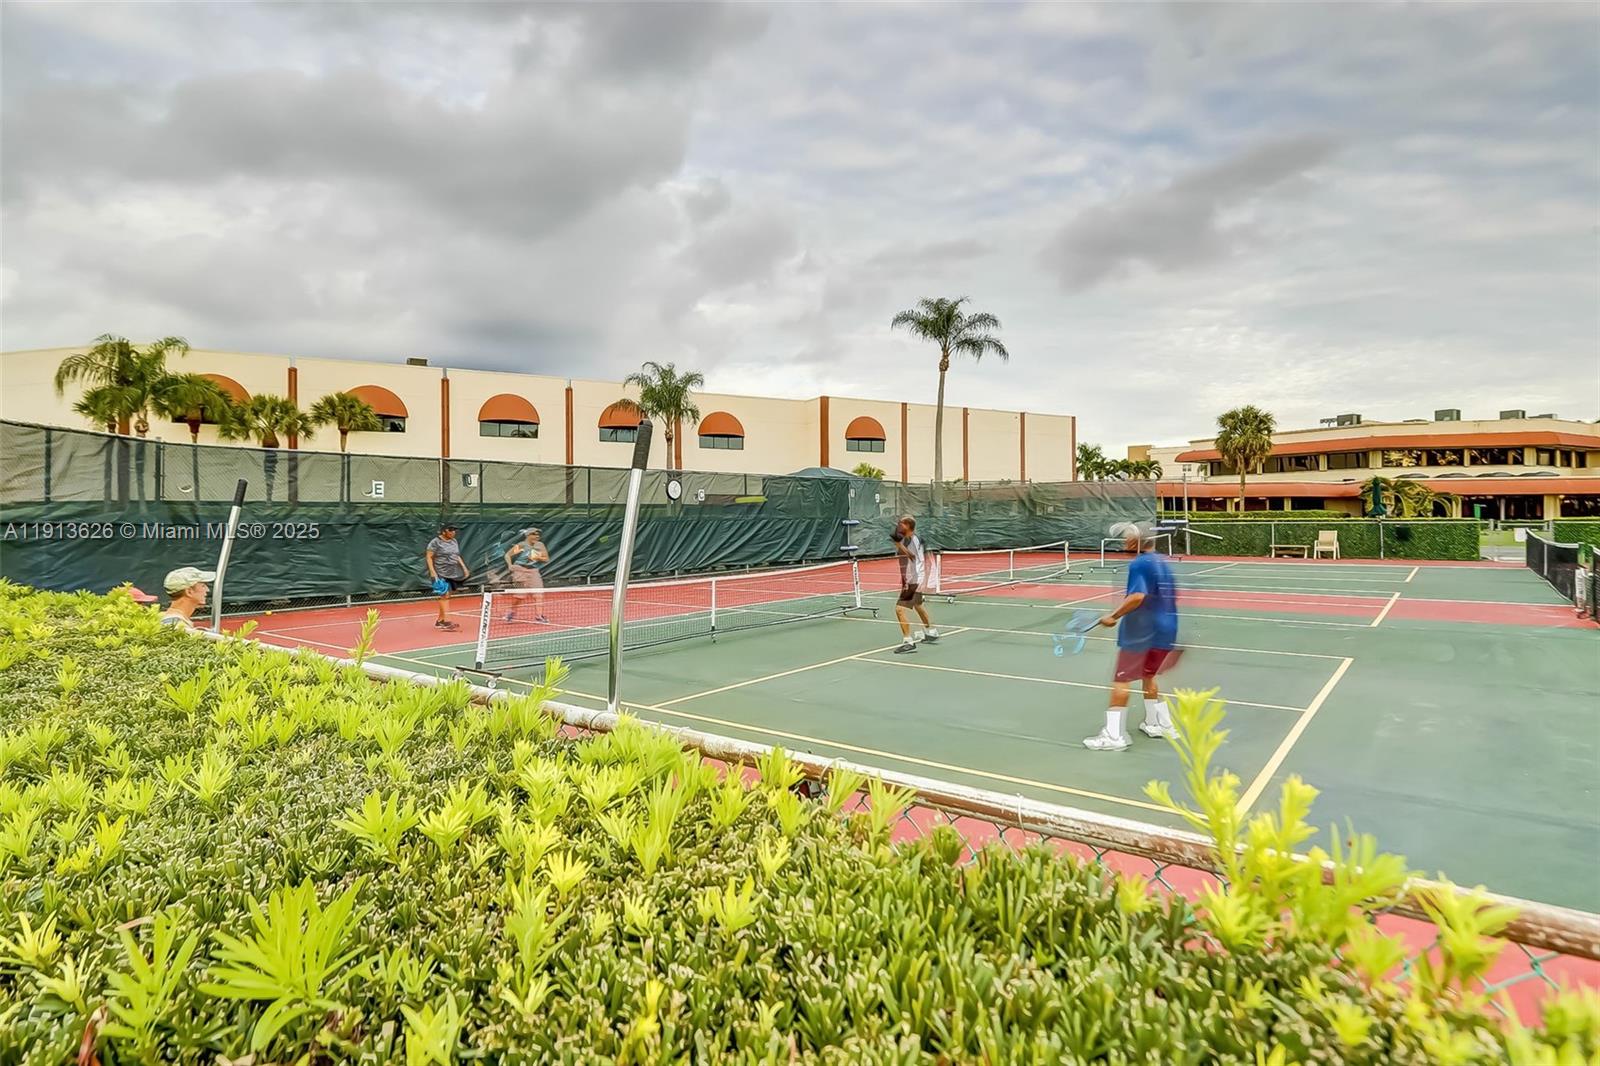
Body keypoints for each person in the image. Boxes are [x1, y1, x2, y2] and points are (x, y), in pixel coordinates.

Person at [1084, 522, 1178, 751]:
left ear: (1138, 541)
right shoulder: (1160, 561)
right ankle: (1158, 724)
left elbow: (1137, 596)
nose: (1124, 541)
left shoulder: (1140, 564)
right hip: (1166, 629)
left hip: (1142, 632)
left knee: (1122, 680)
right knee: (1149, 677)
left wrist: (1113, 616)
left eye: (1127, 538)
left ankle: (1114, 736)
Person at [891, 515, 939, 654]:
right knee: (918, 605)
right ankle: (931, 631)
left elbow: (912, 558)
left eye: (902, 524)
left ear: (908, 526)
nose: (899, 525)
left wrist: (909, 582)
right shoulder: (912, 539)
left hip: (913, 580)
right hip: (917, 578)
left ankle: (908, 642)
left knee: (899, 609)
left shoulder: (912, 540)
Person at [426, 524, 471, 631]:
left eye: (454, 530)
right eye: (450, 530)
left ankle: (440, 621)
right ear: (443, 531)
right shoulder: (435, 542)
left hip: (452, 573)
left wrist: (464, 568)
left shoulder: (454, 541)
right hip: (440, 573)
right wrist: (433, 572)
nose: (453, 532)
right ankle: (447, 621)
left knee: (447, 595)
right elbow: (429, 557)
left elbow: (456, 555)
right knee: (444, 596)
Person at [503, 527, 550, 623]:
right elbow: (507, 555)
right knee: (519, 596)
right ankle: (511, 612)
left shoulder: (540, 545)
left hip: (533, 572)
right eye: (534, 534)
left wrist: (536, 556)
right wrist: (510, 565)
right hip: (520, 571)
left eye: (538, 534)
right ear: (528, 535)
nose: (537, 536)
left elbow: (546, 559)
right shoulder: (521, 545)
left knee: (538, 594)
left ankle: (539, 616)